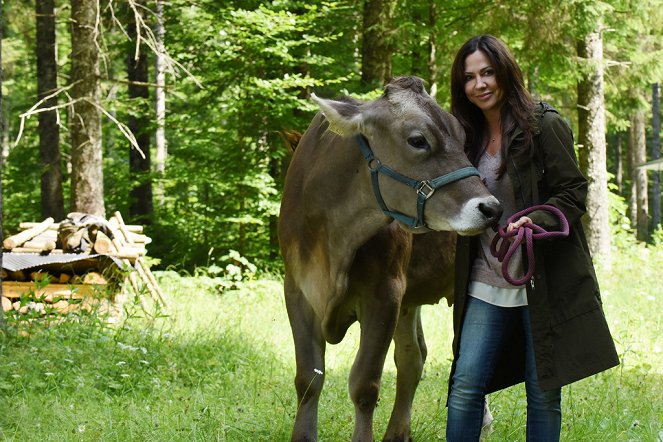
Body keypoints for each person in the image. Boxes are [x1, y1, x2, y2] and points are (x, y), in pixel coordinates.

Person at [445, 35, 620, 441]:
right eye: (469, 77)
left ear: (505, 71)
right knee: (466, 385)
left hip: (542, 281)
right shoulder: (463, 138)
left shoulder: (544, 125)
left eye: (487, 72)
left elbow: (573, 191)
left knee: (543, 392)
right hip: (484, 280)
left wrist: (534, 220)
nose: (480, 84)